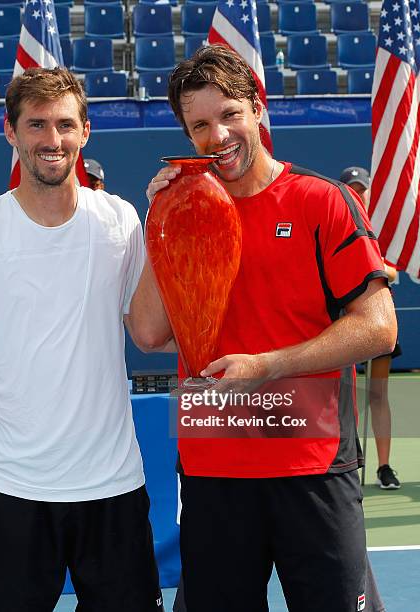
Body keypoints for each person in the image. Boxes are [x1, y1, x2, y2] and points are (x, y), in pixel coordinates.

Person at [130, 45, 397, 612]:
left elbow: (378, 328)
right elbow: (149, 334)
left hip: (313, 466)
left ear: (257, 108)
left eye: (229, 114)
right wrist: (162, 223)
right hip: (214, 467)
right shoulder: (182, 213)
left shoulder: (321, 201)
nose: (217, 135)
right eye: (199, 125)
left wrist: (268, 364)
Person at [0, 67, 163, 612]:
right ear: (11, 133)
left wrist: (167, 222)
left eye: (63, 125)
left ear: (85, 132)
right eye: (36, 125)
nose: (51, 140)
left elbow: (151, 334)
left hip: (114, 489)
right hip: (11, 497)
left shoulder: (123, 221)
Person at [340, 166, 401, 489]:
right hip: (345, 323)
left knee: (378, 394)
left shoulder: (386, 228)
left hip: (379, 320)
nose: (358, 193)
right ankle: (350, 457)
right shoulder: (340, 220)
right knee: (344, 394)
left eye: (361, 188)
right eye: (352, 187)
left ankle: (385, 466)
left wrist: (378, 268)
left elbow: (391, 272)